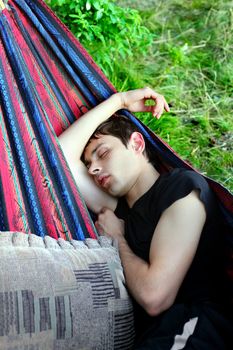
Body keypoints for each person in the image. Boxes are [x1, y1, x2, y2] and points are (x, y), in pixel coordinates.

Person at [58, 87, 233, 349]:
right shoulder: (118, 210)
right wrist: (119, 101)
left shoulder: (183, 189)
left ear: (137, 144)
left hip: (197, 328)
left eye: (103, 153)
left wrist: (117, 238)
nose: (93, 168)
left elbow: (155, 296)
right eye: (89, 164)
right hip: (153, 335)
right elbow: (56, 156)